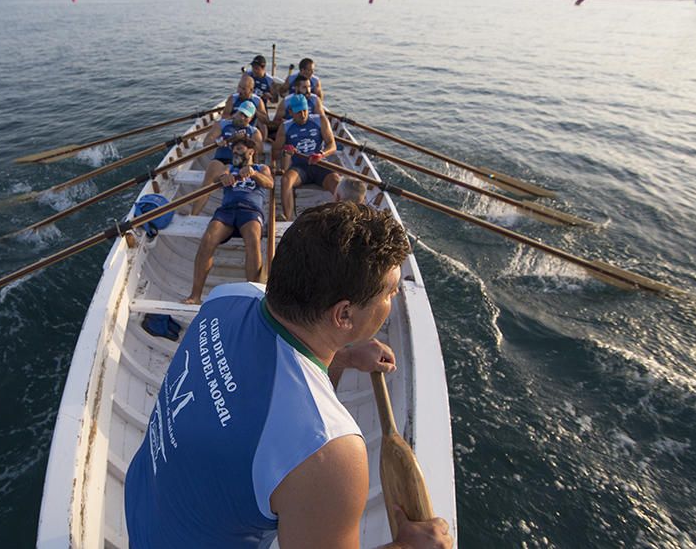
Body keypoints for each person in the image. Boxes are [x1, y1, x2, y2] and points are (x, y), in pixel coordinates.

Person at [125, 202, 453, 549]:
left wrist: (345, 356)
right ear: (343, 315)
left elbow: (266, 365)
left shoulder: (227, 298)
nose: (394, 297)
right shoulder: (330, 452)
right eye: (389, 291)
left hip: (143, 512)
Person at [182, 138, 273, 305]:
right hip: (226, 211)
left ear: (251, 152)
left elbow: (270, 183)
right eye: (234, 151)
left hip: (250, 211)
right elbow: (218, 178)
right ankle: (195, 295)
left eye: (239, 149)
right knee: (207, 240)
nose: (235, 153)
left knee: (253, 242)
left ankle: (254, 297)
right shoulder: (228, 167)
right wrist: (223, 178)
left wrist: (254, 173)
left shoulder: (262, 168)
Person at [186, 101, 263, 216]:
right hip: (222, 161)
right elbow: (207, 142)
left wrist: (247, 141)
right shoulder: (222, 124)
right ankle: (194, 214)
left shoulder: (254, 132)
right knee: (209, 177)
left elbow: (259, 150)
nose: (242, 117)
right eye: (240, 113)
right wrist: (218, 142)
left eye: (246, 116)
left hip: (243, 164)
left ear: (251, 118)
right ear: (236, 112)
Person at [272, 94, 339, 221]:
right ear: (291, 112)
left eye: (305, 111)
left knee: (336, 181)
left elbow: (332, 144)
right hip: (299, 168)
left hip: (320, 164)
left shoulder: (320, 120)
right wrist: (285, 151)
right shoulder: (285, 127)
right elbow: (275, 153)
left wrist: (322, 154)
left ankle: (339, 216)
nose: (303, 115)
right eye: (298, 112)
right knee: (285, 180)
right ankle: (288, 217)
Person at [222, 75, 269, 140]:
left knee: (262, 124)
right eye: (239, 87)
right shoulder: (232, 99)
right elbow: (224, 118)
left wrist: (255, 112)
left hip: (249, 129)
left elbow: (266, 120)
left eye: (243, 89)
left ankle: (262, 142)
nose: (239, 91)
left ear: (251, 90)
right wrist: (235, 117)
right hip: (233, 128)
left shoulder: (258, 101)